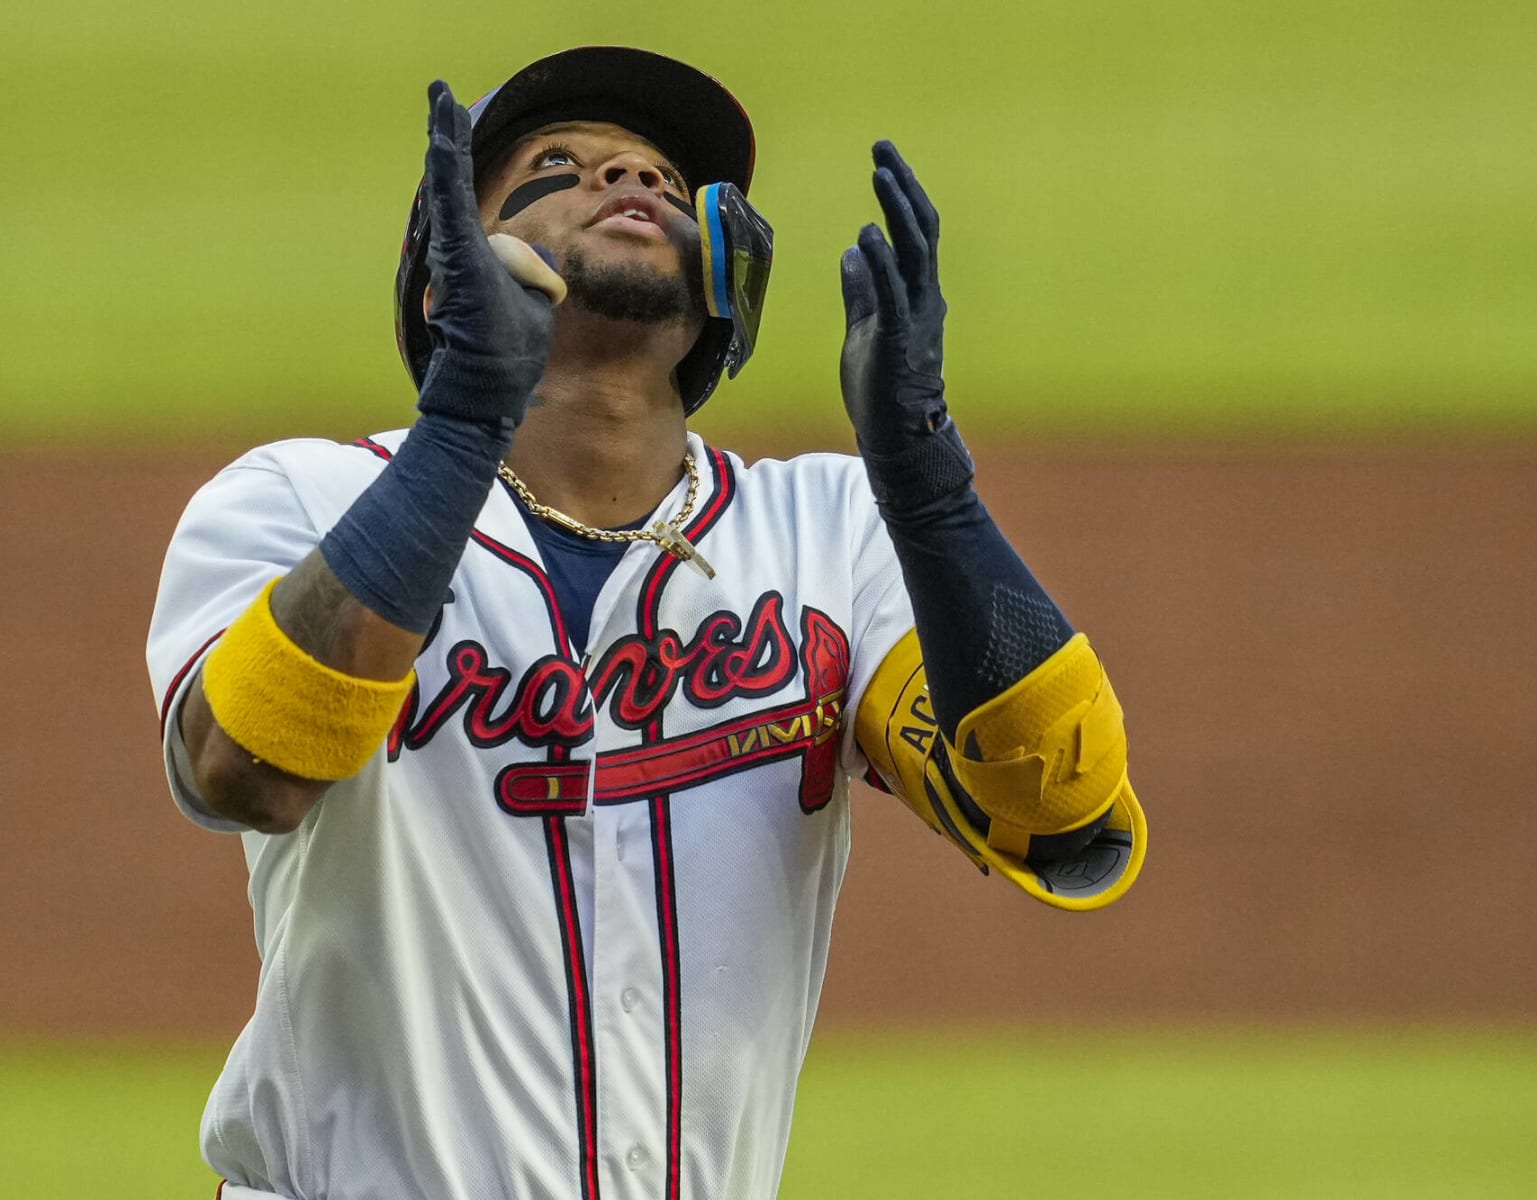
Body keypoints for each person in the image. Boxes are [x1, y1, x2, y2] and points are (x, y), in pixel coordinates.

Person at [146, 45, 1147, 1200]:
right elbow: (246, 768)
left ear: (729, 282)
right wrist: (466, 418)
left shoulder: (830, 533)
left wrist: (929, 487)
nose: (625, 175)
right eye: (556, 164)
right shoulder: (302, 502)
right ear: (446, 273)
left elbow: (1060, 809)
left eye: (664, 180)